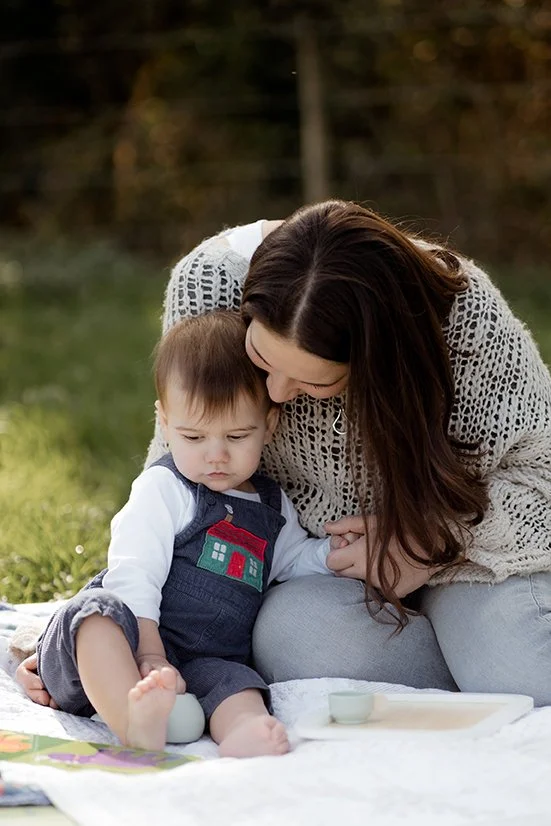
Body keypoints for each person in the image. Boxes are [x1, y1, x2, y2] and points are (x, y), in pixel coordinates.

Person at [17, 200, 551, 706]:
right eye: (260, 358)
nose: (274, 395)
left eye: (313, 384)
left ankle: (479, 661)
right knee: (300, 643)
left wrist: (430, 541)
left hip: (473, 558)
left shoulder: (466, 321)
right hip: (314, 576)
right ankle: (469, 678)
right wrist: (91, 636)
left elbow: (541, 475)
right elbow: (173, 497)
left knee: (524, 670)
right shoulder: (209, 289)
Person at [25, 310, 338, 757]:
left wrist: (331, 556)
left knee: (238, 682)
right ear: (165, 423)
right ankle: (132, 720)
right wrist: (148, 649)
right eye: (193, 437)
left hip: (206, 658)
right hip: (128, 640)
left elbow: (290, 562)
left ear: (269, 425)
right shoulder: (165, 487)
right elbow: (134, 570)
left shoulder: (271, 506)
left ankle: (243, 731)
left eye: (236, 436)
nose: (216, 456)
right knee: (96, 614)